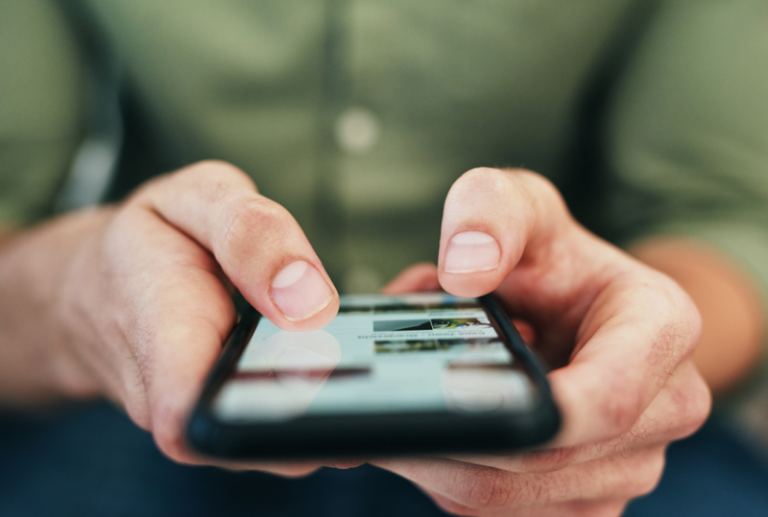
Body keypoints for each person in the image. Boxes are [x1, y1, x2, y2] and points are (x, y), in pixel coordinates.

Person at [1, 0, 767, 515]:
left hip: (554, 374)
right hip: (152, 385)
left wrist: (638, 343)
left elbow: (722, 212)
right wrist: (79, 292)